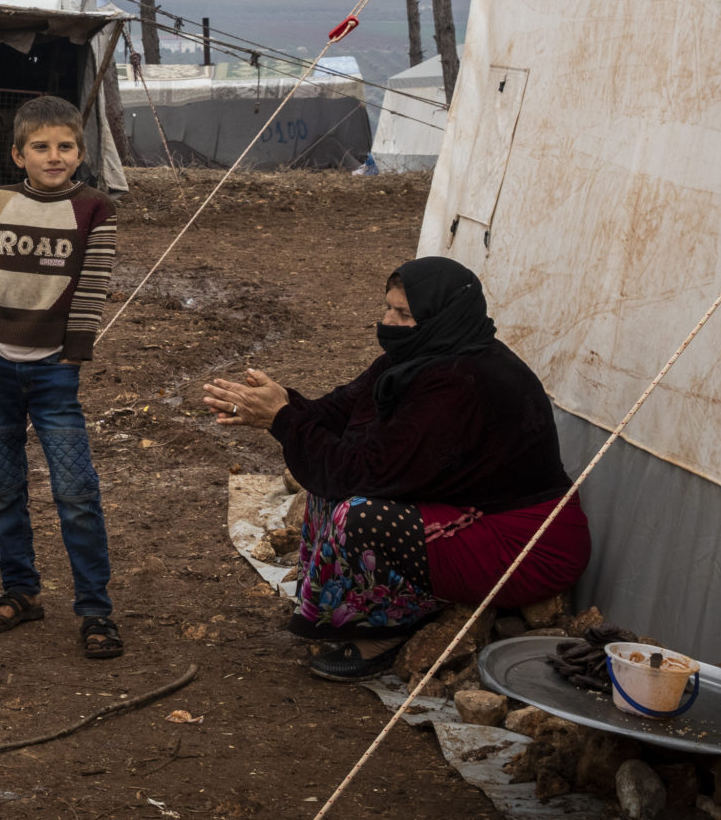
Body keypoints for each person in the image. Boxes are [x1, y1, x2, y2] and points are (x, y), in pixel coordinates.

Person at [201, 256, 590, 682]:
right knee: (325, 482)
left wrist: (283, 418)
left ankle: (389, 625)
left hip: (526, 542)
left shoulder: (462, 382)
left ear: (442, 315)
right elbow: (337, 412)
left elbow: (362, 472)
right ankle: (348, 605)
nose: (388, 321)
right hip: (466, 511)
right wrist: (283, 404)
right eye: (387, 308)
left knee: (361, 515)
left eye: (403, 314)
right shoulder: (418, 358)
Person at [0, 94, 124, 660]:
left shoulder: (95, 209)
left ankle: (96, 612)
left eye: (66, 146)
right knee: (2, 488)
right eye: (40, 147)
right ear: (18, 154)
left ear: (80, 153)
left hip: (54, 372)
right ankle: (21, 591)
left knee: (76, 491)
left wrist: (76, 350)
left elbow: (94, 284)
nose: (54, 156)